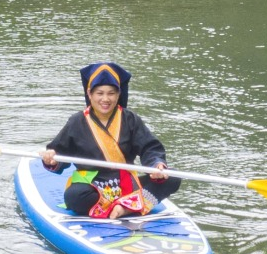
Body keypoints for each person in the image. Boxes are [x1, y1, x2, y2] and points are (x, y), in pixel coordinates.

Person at [41, 62, 179, 220]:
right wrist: (52, 158)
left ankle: (124, 208)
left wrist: (156, 165)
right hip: (92, 187)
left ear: (119, 94)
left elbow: (150, 148)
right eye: (99, 93)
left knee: (172, 176)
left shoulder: (130, 119)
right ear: (89, 93)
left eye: (111, 93)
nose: (105, 99)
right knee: (74, 196)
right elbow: (59, 154)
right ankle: (130, 205)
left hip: (127, 186)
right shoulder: (77, 121)